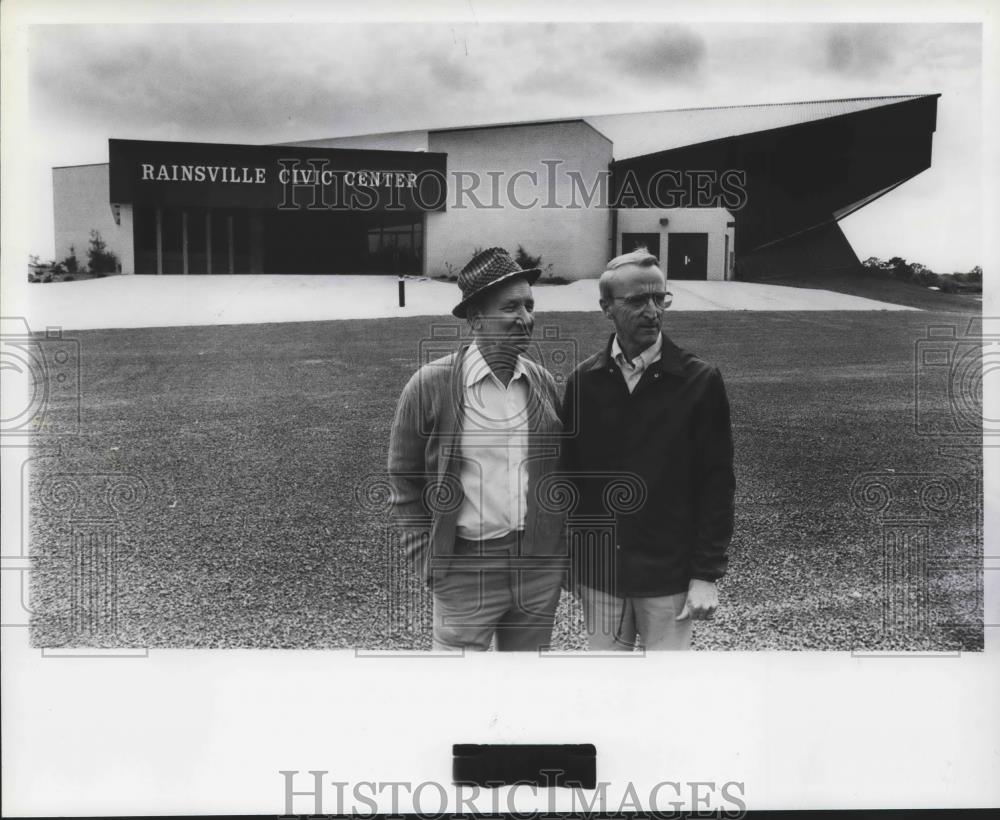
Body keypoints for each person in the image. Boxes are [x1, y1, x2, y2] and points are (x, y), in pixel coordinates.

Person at [387, 246, 566, 651]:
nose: (526, 319)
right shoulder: (430, 385)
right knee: (458, 698)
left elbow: (559, 474)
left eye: (529, 306)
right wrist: (428, 562)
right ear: (475, 318)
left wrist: (555, 557)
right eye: (511, 307)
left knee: (523, 692)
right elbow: (403, 481)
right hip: (464, 569)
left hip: (536, 571)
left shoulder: (541, 382)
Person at [560, 248, 735, 650]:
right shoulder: (582, 382)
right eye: (637, 301)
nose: (653, 311)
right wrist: (571, 556)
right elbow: (569, 479)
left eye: (660, 298)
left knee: (665, 696)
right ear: (606, 307)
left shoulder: (700, 381)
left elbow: (717, 484)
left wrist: (705, 573)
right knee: (605, 695)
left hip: (668, 578)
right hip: (601, 579)